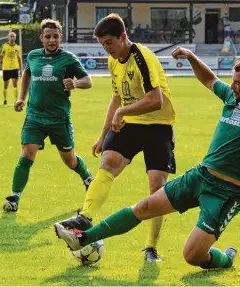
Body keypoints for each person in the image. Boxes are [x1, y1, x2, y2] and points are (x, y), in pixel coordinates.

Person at [54, 48, 240, 270]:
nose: (233, 86)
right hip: (200, 176)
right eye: (233, 81)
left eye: (238, 83)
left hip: (228, 192)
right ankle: (83, 238)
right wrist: (191, 57)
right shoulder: (230, 97)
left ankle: (225, 260)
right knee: (144, 207)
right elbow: (209, 79)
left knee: (192, 256)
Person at [55, 13, 176, 263]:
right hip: (130, 123)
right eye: (102, 44)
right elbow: (117, 97)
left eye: (109, 42)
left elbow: (156, 100)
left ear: (123, 37)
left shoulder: (142, 57)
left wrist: (122, 112)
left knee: (157, 188)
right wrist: (103, 134)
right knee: (108, 163)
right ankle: (85, 218)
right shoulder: (114, 61)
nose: (106, 49)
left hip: (158, 126)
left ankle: (151, 248)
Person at [2, 19, 93, 212]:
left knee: (70, 161)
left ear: (61, 37)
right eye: (48, 37)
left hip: (59, 119)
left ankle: (87, 177)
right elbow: (26, 74)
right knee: (27, 152)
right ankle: (14, 198)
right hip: (34, 117)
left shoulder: (68, 59)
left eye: (55, 36)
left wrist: (75, 84)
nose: (52, 40)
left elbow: (88, 80)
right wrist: (21, 98)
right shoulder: (33, 56)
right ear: (41, 38)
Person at [0, 31, 23, 105]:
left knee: (15, 84)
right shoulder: (4, 46)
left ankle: (16, 100)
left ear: (15, 38)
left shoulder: (18, 47)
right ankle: (5, 100)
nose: (12, 38)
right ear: (8, 37)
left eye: (13, 36)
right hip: (6, 68)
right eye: (11, 36)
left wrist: (21, 70)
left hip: (14, 68)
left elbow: (19, 59)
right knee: (5, 86)